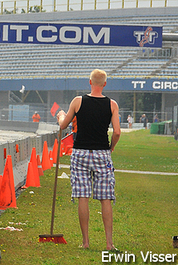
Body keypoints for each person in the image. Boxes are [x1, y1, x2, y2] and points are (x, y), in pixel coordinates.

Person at [57, 69, 121, 251]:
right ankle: (109, 244)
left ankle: (85, 242)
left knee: (82, 197)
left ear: (90, 82)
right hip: (102, 153)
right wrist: (112, 147)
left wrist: (61, 115)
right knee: (105, 198)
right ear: (105, 84)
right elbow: (116, 131)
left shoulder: (78, 101)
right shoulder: (112, 104)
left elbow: (64, 125)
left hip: (80, 153)